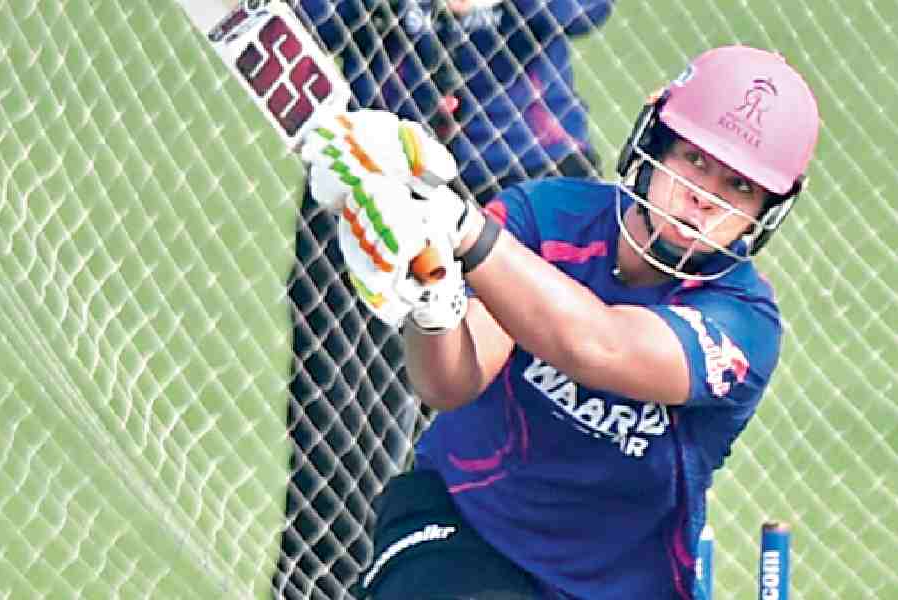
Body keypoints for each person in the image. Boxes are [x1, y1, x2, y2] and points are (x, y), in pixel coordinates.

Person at [301, 44, 820, 599]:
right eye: (695, 160)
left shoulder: (742, 321)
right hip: (466, 528)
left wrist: (456, 223)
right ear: (655, 143)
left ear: (766, 209)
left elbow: (601, 347)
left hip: (620, 585)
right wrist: (432, 301)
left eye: (739, 186)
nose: (706, 197)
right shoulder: (546, 215)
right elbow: (449, 384)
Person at [295, 0, 615, 203]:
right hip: (381, 150)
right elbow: (313, 23)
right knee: (335, 298)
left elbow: (584, 11)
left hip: (523, 154)